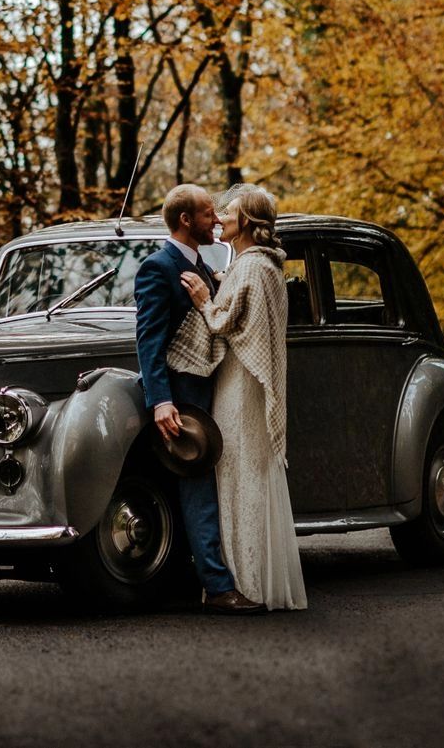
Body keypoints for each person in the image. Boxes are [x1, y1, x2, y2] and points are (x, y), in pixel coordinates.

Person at [168, 184, 307, 612]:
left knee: (237, 472)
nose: (221, 218)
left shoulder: (252, 268)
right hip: (241, 380)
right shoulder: (258, 265)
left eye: (228, 212)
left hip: (241, 384)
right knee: (242, 471)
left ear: (245, 220)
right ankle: (246, 578)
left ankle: (244, 581)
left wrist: (205, 300)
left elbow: (229, 323)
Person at [134, 184, 266, 615]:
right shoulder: (158, 267)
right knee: (198, 488)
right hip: (184, 400)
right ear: (187, 221)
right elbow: (149, 342)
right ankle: (217, 586)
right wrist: (161, 401)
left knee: (208, 487)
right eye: (210, 214)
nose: (217, 220)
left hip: (215, 392)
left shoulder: (203, 267)